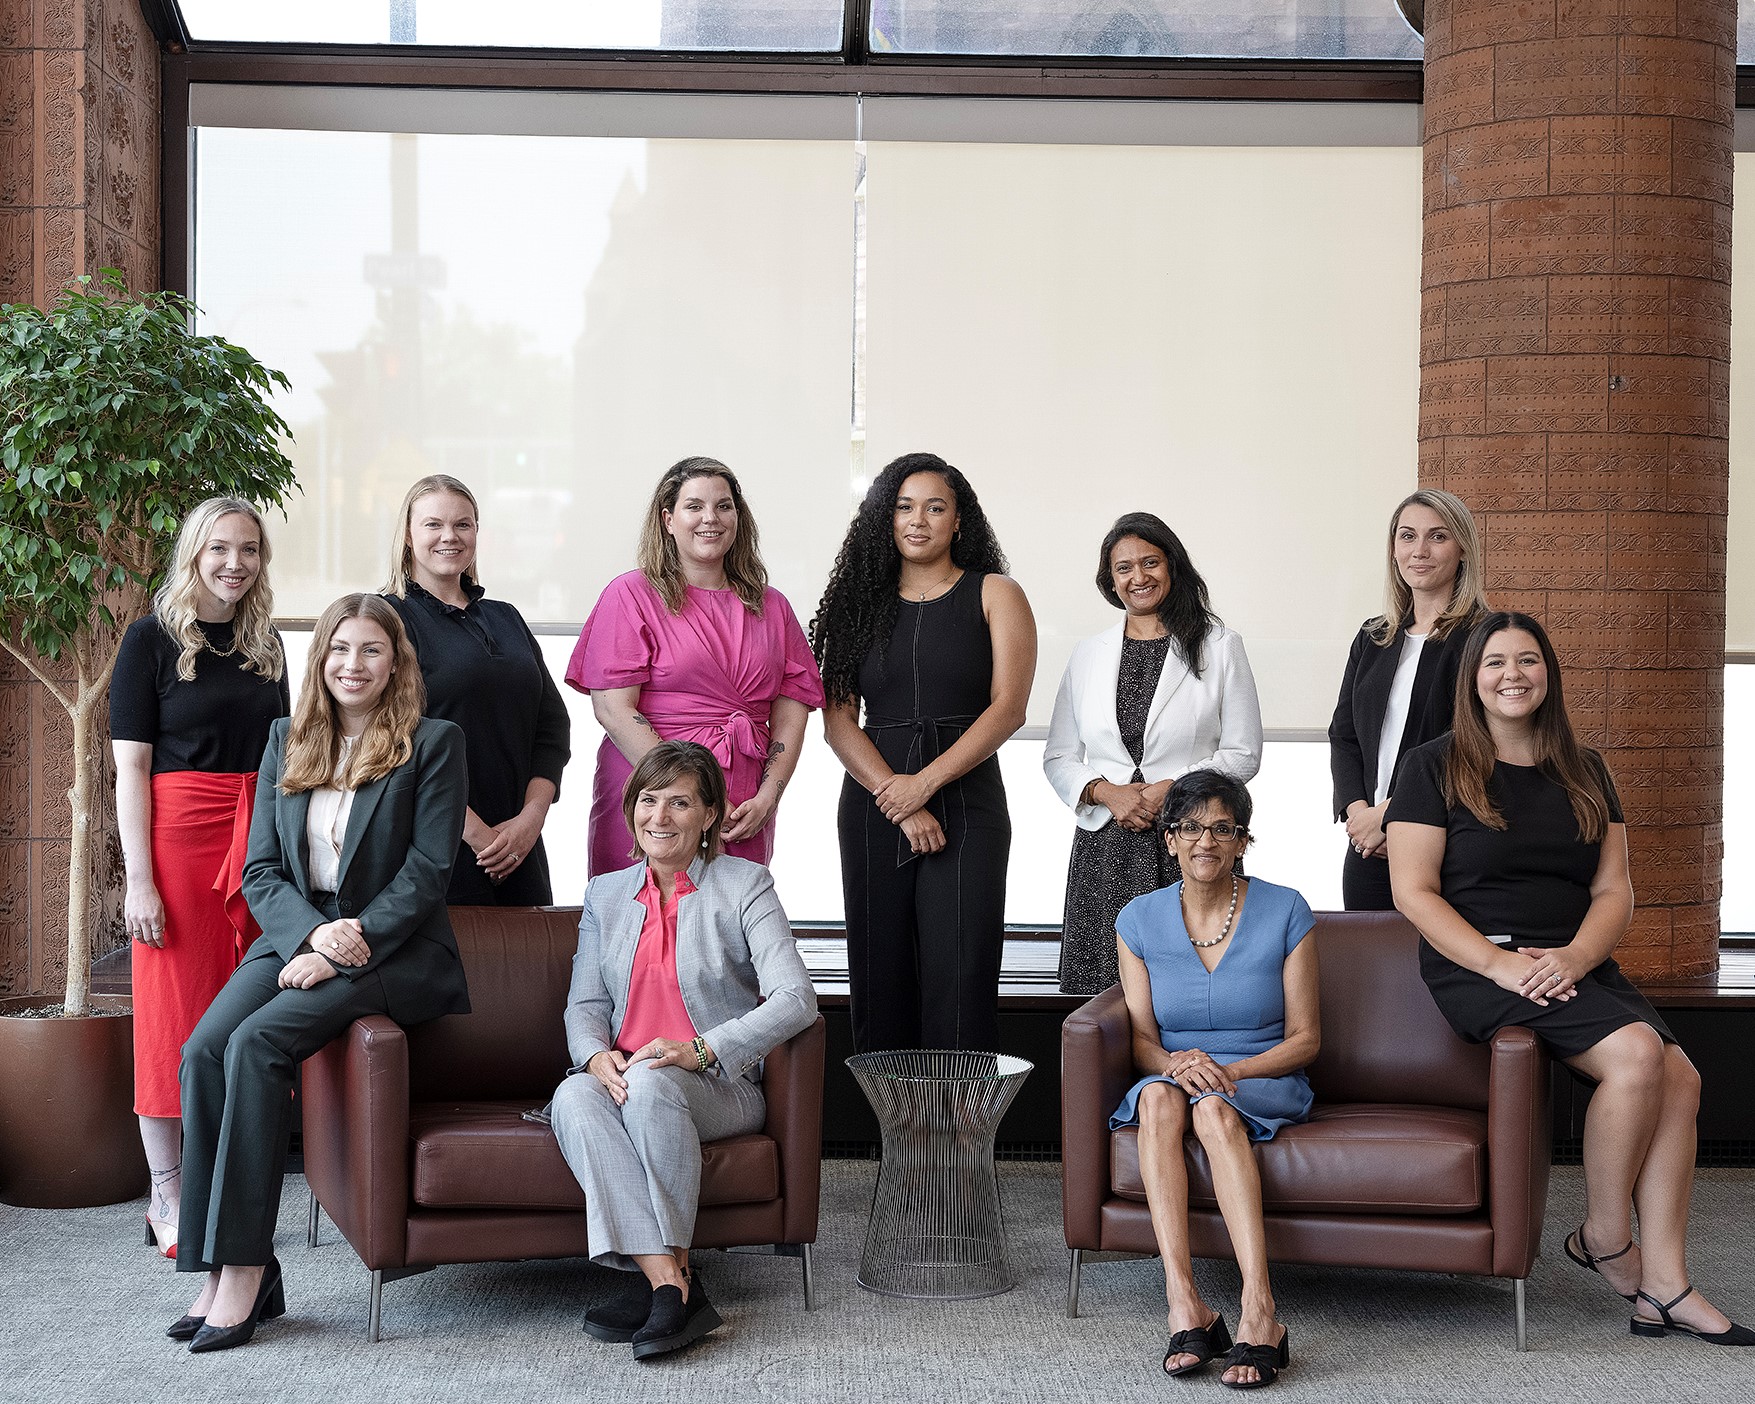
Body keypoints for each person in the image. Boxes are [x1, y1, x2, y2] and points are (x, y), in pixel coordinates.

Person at [1388, 611, 1751, 1348]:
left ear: (1548, 674)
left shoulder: (1585, 769)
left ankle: (1664, 1285)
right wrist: (1503, 966)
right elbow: (1412, 892)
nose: (1511, 674)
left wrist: (1578, 959)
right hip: (1481, 964)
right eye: (1494, 662)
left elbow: (1614, 890)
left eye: (1527, 660)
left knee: (1681, 1081)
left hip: (1574, 961)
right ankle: (1606, 1237)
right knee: (1636, 1056)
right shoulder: (1432, 766)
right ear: (1472, 678)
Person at [168, 594, 469, 1353]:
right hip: (299, 932)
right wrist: (310, 934)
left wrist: (345, 940)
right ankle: (227, 1264)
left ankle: (241, 1268)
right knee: (202, 1050)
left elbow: (428, 871)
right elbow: (262, 868)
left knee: (255, 1047)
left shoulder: (433, 743)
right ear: (321, 658)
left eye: (371, 650)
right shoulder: (287, 739)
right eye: (340, 649)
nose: (353, 665)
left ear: (395, 662)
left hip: (392, 947)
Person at [550, 741, 817, 1360]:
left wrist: (700, 1050)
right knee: (571, 1095)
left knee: (651, 1084)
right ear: (630, 810)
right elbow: (585, 1005)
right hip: (625, 1074)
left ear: (709, 817)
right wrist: (595, 1058)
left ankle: (664, 1286)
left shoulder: (744, 885)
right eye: (648, 800)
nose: (660, 816)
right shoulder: (607, 894)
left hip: (716, 1084)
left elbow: (796, 997)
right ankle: (669, 1282)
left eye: (680, 802)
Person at [110, 497, 290, 1260]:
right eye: (220, 548)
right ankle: (168, 1192)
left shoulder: (268, 645)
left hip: (257, 835)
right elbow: (130, 770)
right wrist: (138, 881)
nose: (235, 563)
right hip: (179, 841)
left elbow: (286, 753)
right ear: (193, 553)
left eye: (249, 549)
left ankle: (231, 1179)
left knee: (246, 1006)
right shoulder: (149, 640)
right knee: (171, 1012)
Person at [811, 452, 1036, 1054]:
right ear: (884, 519)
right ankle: (898, 1143)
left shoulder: (997, 593)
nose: (919, 520)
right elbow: (837, 723)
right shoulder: (856, 604)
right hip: (874, 801)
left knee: (960, 976)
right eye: (904, 507)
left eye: (936, 507)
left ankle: (958, 1143)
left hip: (967, 800)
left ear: (959, 520)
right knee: (878, 975)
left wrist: (925, 785)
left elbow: (1008, 709)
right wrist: (902, 801)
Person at [1110, 769, 1316, 1388]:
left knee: (1211, 1109)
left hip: (1259, 1073)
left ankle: (1260, 1308)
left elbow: (1307, 1039)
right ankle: (1186, 1303)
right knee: (1160, 1104)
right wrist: (1177, 1065)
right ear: (1169, 839)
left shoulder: (1285, 908)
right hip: (1176, 1074)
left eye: (1223, 828)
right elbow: (1143, 1040)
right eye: (1191, 827)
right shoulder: (1139, 919)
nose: (1206, 841)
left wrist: (1229, 1072)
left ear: (1243, 841)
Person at [566, 457, 824, 878]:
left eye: (724, 506)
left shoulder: (772, 605)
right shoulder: (630, 594)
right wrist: (689, 798)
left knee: (729, 927)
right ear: (668, 519)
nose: (711, 518)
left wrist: (767, 797)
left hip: (742, 803)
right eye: (694, 507)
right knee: (640, 925)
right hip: (652, 794)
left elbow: (792, 715)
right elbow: (614, 709)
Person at [1044, 512, 1262, 995]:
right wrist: (1107, 793)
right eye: (1124, 568)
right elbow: (1058, 756)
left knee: (1192, 986)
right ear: (1110, 579)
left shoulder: (1220, 646)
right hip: (1107, 845)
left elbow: (1243, 754)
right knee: (1105, 999)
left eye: (1150, 563)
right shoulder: (1087, 653)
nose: (1137, 577)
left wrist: (1172, 790)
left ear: (1173, 566)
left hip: (1192, 838)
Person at [383, 473, 571, 904]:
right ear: (408, 536)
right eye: (433, 524)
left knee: (523, 966)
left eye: (463, 524)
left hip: (518, 846)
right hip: (434, 843)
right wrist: (475, 833)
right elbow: (389, 738)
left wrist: (530, 821)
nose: (449, 536)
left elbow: (551, 728)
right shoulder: (387, 619)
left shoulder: (506, 618)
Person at [1329, 487, 1488, 910]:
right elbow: (1344, 737)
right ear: (1393, 550)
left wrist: (1392, 815)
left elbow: (1474, 745)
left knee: (1438, 972)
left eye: (1437, 536)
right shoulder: (1373, 638)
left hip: (1446, 843)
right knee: (1372, 968)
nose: (1420, 550)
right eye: (1407, 536)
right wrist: (1359, 815)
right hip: (1368, 845)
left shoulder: (1483, 639)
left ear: (1462, 551)